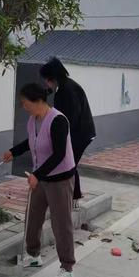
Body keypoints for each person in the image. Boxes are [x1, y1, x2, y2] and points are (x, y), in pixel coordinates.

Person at [3, 83, 75, 277]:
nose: (24, 107)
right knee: (32, 217)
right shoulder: (33, 119)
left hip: (60, 179)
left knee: (61, 224)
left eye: (25, 103)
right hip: (41, 177)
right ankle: (34, 255)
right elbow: (32, 141)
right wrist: (13, 151)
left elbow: (59, 154)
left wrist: (37, 174)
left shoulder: (58, 120)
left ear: (37, 101)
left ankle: (67, 268)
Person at [40, 57, 95, 205]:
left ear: (52, 78)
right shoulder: (66, 86)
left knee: (70, 164)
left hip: (80, 134)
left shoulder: (66, 91)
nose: (45, 82)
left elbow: (68, 118)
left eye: (46, 79)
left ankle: (73, 199)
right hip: (82, 132)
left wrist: (60, 138)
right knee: (70, 163)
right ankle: (74, 197)